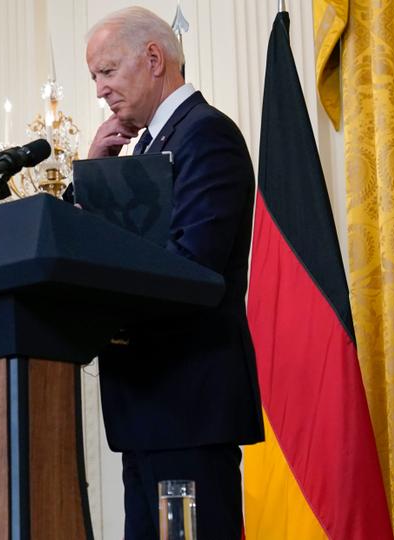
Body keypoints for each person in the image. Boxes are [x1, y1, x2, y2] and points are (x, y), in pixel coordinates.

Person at [80, 7, 263, 539]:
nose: (100, 91)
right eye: (95, 76)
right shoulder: (146, 149)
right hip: (148, 406)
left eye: (107, 71)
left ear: (154, 58)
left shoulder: (205, 135)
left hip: (187, 404)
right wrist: (96, 174)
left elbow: (192, 268)